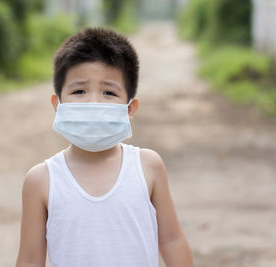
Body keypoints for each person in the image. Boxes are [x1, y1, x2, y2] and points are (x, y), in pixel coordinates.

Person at [16, 27, 193, 267]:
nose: (93, 102)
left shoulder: (148, 167)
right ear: (57, 104)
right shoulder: (41, 180)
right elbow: (29, 260)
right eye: (79, 91)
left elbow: (172, 241)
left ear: (130, 108)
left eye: (109, 92)